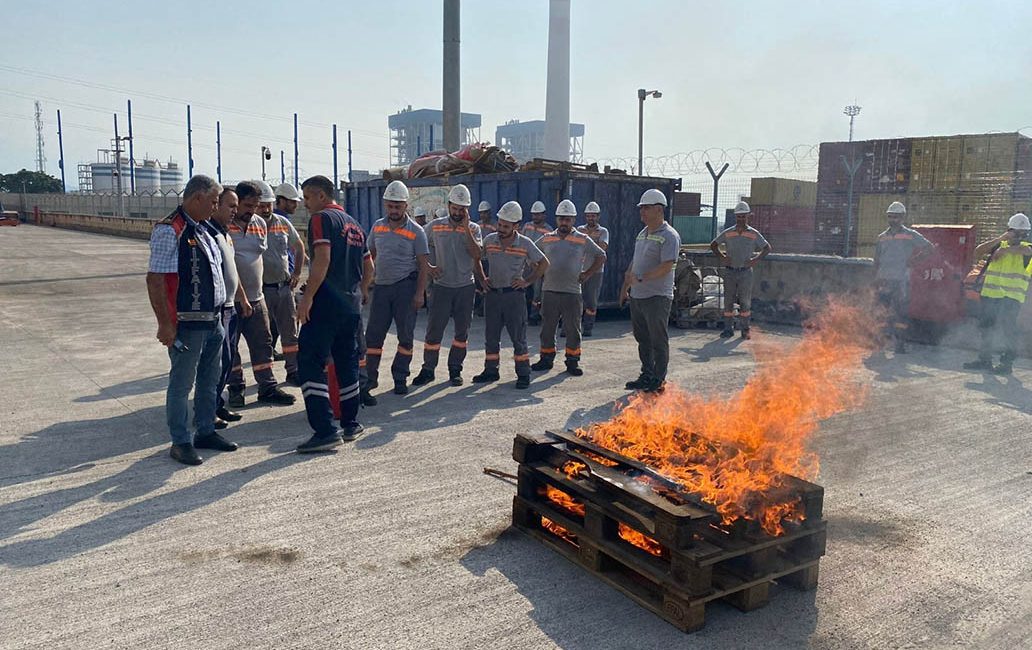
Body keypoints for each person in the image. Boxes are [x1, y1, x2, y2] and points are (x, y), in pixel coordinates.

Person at [145, 175, 237, 465]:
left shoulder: (204, 228)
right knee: (182, 384)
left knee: (210, 381)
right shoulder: (171, 229)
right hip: (187, 323)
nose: (215, 207)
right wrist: (165, 324)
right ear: (196, 197)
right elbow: (156, 280)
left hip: (213, 321)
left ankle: (206, 430)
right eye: (212, 202)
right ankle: (181, 441)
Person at [295, 175, 372, 451]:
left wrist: (308, 298)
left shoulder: (322, 219)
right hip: (350, 305)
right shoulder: (355, 225)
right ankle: (351, 423)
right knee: (346, 362)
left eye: (307, 198)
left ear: (320, 196)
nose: (305, 204)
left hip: (327, 302)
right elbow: (369, 267)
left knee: (310, 359)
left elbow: (322, 259)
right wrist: (361, 290)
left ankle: (325, 429)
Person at [225, 181, 295, 407]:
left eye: (255, 206)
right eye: (247, 205)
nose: (251, 211)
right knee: (231, 346)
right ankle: (236, 388)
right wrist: (241, 297)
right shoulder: (225, 226)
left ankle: (267, 387)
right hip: (232, 300)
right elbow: (229, 266)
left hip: (258, 298)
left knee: (263, 343)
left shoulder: (259, 225)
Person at [364, 180, 431, 399]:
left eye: (398, 206)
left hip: (405, 288)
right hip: (382, 288)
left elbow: (423, 265)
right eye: (390, 206)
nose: (393, 210)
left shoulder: (416, 231)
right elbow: (369, 256)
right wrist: (365, 285)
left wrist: (420, 293)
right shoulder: (378, 227)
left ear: (406, 206)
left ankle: (400, 377)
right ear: (385, 204)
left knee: (406, 335)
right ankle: (369, 379)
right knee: (373, 336)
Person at [472, 201, 549, 389]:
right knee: (491, 336)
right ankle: (491, 370)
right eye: (499, 224)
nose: (501, 229)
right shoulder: (489, 240)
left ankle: (523, 373)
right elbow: (475, 258)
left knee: (518, 337)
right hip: (493, 295)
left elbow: (544, 263)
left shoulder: (525, 243)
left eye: (506, 226)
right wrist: (482, 278)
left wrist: (527, 281)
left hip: (513, 296)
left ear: (516, 226)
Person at [413, 184, 483, 387]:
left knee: (462, 333)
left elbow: (477, 254)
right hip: (442, 287)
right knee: (434, 331)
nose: (458, 212)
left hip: (465, 288)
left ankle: (455, 369)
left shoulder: (474, 229)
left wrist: (466, 229)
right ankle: (428, 370)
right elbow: (419, 248)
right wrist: (429, 266)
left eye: (462, 209)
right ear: (449, 205)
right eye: (455, 207)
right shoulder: (435, 226)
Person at [531, 199, 606, 376]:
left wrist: (587, 274)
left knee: (573, 329)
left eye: (568, 219)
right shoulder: (547, 238)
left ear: (573, 220)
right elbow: (531, 253)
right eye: (561, 219)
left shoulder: (582, 239)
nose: (564, 222)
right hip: (549, 291)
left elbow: (601, 255)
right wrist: (538, 270)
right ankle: (546, 359)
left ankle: (572, 361)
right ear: (557, 219)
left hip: (572, 292)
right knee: (547, 328)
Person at [620, 189, 681, 393]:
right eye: (641, 208)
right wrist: (626, 287)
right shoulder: (642, 233)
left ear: (658, 209)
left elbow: (667, 266)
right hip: (638, 296)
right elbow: (635, 262)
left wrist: (641, 278)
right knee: (643, 339)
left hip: (657, 297)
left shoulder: (669, 236)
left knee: (658, 340)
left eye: (645, 208)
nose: (642, 212)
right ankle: (646, 374)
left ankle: (658, 379)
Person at [963, 212, 1032, 375]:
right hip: (991, 294)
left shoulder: (1027, 248)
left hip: (1012, 297)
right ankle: (984, 359)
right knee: (987, 327)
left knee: (1008, 329)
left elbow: (1025, 250)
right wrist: (1000, 239)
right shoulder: (999, 245)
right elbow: (978, 251)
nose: (1018, 235)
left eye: (1022, 233)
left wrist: (1006, 251)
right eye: (1015, 232)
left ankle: (1006, 364)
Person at [260, 181, 306, 385]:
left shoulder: (282, 222)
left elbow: (299, 246)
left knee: (290, 334)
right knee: (263, 337)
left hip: (283, 287)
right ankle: (266, 381)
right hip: (261, 290)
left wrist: (296, 273)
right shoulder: (250, 225)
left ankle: (293, 371)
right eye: (262, 205)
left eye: (268, 204)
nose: (266, 209)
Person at [208, 187, 246, 429]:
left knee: (228, 359)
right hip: (219, 309)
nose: (235, 211)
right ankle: (208, 411)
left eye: (236, 206)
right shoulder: (208, 234)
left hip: (231, 307)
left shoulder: (224, 234)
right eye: (230, 206)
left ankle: (217, 405)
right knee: (215, 363)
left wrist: (241, 296)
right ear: (216, 206)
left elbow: (232, 270)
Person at [873, 201, 933, 353]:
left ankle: (900, 344)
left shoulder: (910, 235)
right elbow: (877, 259)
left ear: (902, 217)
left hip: (901, 280)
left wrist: (914, 261)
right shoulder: (882, 237)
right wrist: (875, 277)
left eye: (896, 217)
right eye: (890, 216)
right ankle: (879, 342)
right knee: (881, 311)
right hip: (884, 279)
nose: (893, 219)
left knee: (900, 313)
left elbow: (929, 248)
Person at [709, 201, 772, 340]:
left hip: (745, 272)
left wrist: (756, 259)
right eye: (739, 216)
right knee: (728, 301)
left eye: (743, 216)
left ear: (748, 216)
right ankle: (728, 329)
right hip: (730, 272)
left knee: (745, 301)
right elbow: (713, 245)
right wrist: (722, 257)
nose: (741, 219)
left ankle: (745, 329)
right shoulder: (728, 232)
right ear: (735, 216)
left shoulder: (753, 233)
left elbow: (767, 248)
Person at [270, 182, 304, 358]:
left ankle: (278, 353)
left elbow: (296, 248)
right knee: (279, 322)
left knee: (282, 322)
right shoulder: (273, 220)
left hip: (286, 278)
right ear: (281, 201)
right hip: (277, 281)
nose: (296, 205)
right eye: (292, 202)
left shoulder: (285, 221)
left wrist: (296, 272)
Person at [577, 201, 609, 336]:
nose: (591, 218)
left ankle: (588, 326)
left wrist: (587, 243)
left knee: (591, 300)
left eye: (593, 216)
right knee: (576, 299)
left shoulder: (603, 231)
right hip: (579, 270)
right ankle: (572, 327)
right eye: (589, 216)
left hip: (595, 272)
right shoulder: (580, 229)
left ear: (598, 217)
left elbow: (602, 249)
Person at [523, 201, 552, 324]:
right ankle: (523, 314)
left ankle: (534, 316)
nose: (535, 217)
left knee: (537, 292)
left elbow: (548, 250)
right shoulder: (527, 226)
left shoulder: (548, 230)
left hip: (538, 265)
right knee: (523, 289)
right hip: (525, 264)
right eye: (534, 214)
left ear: (544, 215)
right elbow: (521, 243)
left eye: (538, 214)